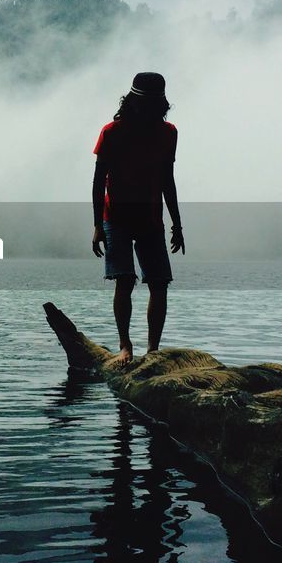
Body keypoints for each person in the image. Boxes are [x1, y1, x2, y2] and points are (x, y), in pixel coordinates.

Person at [91, 72, 184, 364]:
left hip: (151, 219)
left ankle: (153, 350)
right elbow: (98, 180)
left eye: (153, 104)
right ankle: (125, 346)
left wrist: (177, 225)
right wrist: (97, 225)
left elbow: (168, 180)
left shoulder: (168, 133)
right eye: (143, 103)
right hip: (116, 216)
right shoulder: (112, 132)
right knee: (125, 280)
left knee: (158, 283)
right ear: (132, 102)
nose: (147, 110)